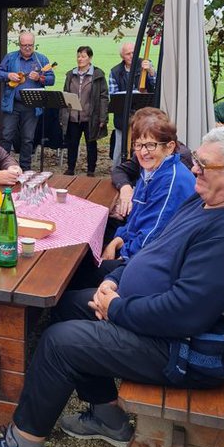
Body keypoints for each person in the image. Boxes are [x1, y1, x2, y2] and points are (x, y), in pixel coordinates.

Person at [0, 124, 224, 447]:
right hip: (161, 321)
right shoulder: (211, 197)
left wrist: (115, 308)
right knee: (69, 305)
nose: (193, 168)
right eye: (195, 161)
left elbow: (184, 315)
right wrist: (115, 280)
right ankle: (107, 415)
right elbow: (158, 248)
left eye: (203, 165)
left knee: (61, 342)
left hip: (186, 353)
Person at [97, 108, 196, 275]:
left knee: (79, 271)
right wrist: (118, 240)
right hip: (140, 249)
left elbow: (153, 234)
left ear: (170, 147)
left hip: (153, 263)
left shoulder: (172, 181)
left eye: (151, 145)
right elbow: (137, 217)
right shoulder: (152, 169)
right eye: (138, 145)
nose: (143, 152)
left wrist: (124, 252)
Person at [0, 31, 55, 171]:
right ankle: (4, 167)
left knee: (28, 139)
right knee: (6, 136)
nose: (27, 48)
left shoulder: (41, 59)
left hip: (32, 106)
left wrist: (40, 78)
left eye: (30, 45)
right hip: (13, 104)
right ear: (19, 44)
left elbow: (52, 79)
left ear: (34, 44)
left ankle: (25, 169)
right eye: (24, 45)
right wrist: (8, 75)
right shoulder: (10, 57)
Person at [60, 46, 108, 176]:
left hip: (90, 117)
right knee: (72, 144)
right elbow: (65, 94)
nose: (80, 59)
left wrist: (103, 118)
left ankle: (91, 170)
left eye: (83, 56)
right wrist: (63, 116)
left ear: (90, 58)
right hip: (74, 117)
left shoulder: (98, 75)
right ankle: (70, 168)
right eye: (78, 56)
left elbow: (104, 97)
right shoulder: (71, 74)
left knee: (91, 144)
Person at [108, 41, 156, 166]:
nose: (131, 56)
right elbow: (113, 96)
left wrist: (151, 71)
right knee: (120, 148)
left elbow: (157, 87)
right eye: (127, 54)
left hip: (144, 117)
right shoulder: (115, 71)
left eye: (133, 52)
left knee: (144, 146)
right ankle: (117, 171)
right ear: (122, 56)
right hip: (123, 117)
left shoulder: (146, 66)